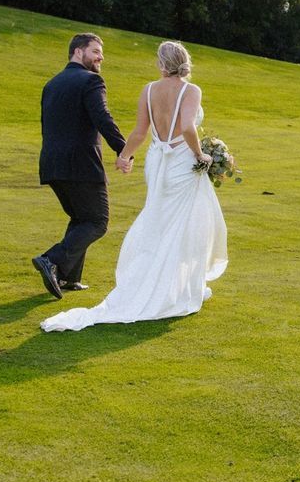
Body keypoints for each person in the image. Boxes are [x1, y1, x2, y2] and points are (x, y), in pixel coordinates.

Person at [41, 40, 227, 332]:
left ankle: (158, 282)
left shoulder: (149, 90)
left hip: (156, 162)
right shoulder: (191, 90)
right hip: (180, 162)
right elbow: (189, 127)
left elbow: (140, 132)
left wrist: (125, 156)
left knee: (159, 220)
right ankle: (174, 288)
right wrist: (200, 154)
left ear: (162, 64)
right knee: (183, 224)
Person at [32, 33, 126, 299]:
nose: (100, 57)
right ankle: (51, 260)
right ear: (77, 52)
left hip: (51, 163)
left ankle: (68, 277)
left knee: (81, 218)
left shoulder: (52, 83)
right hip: (81, 164)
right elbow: (102, 117)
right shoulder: (91, 80)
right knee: (97, 221)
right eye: (95, 51)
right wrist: (123, 149)